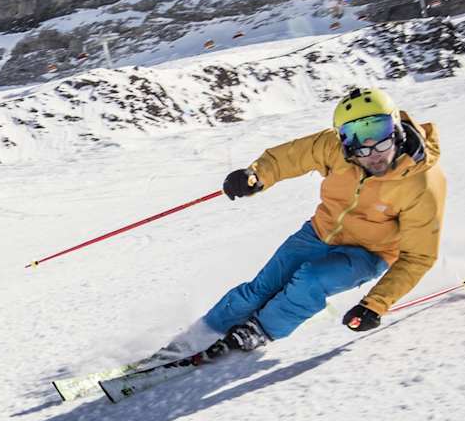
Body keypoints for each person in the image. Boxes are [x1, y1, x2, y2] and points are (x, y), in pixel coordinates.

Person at [181, 86, 446, 364]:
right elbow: (289, 157)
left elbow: (418, 256)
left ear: (396, 129)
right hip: (319, 232)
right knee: (261, 287)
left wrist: (375, 304)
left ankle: (259, 330)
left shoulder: (422, 183)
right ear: (342, 139)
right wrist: (255, 175)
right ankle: (204, 332)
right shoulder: (335, 149)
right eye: (356, 138)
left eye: (380, 134)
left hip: (370, 253)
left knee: (310, 280)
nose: (371, 151)